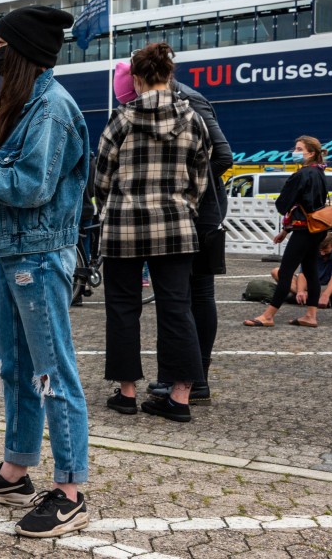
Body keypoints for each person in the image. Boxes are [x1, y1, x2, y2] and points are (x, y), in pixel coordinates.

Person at [0, 5, 91, 539]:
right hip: (15, 252)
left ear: (21, 50)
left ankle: (71, 490)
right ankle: (15, 470)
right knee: (16, 366)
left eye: (1, 43)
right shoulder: (29, 104)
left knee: (53, 372)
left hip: (41, 256)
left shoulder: (50, 108)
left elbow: (32, 187)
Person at [95, 43, 210, 423]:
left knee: (122, 307)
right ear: (169, 76)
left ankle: (126, 393)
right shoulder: (193, 119)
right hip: (176, 226)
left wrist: (114, 202)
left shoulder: (121, 119)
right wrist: (182, 206)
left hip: (123, 227)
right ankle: (179, 398)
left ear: (139, 79)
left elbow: (101, 177)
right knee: (177, 308)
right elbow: (200, 180)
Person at [116, 61, 233, 405]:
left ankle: (196, 380)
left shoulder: (191, 102)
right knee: (178, 296)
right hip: (183, 207)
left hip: (198, 210)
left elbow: (222, 155)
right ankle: (178, 377)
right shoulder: (169, 100)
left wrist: (176, 187)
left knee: (195, 293)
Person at [244, 136, 332, 329]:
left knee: (285, 272)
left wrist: (286, 215)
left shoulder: (302, 174)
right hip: (316, 228)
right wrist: (286, 230)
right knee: (310, 271)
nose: (295, 152)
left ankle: (268, 315)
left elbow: (283, 204)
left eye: (299, 149)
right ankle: (311, 315)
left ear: (310, 153)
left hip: (303, 230)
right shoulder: (320, 173)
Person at [267, 232, 332, 307]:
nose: (322, 253)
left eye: (325, 250)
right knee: (277, 271)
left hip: (329, 287)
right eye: (320, 249)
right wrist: (300, 291)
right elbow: (303, 273)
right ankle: (307, 296)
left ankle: (315, 298)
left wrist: (325, 295)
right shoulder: (312, 249)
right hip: (310, 285)